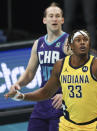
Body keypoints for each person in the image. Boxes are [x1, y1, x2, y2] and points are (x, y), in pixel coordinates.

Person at [5, 29, 97, 131]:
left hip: (94, 126)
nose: (83, 42)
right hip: (68, 126)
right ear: (70, 45)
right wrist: (20, 96)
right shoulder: (60, 65)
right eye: (78, 40)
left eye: (85, 39)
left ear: (90, 44)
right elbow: (45, 92)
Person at [6, 2, 71, 131]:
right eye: (51, 16)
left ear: (62, 20)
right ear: (44, 20)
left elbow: (82, 72)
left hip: (61, 103)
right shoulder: (38, 43)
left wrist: (66, 94)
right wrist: (18, 84)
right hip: (42, 103)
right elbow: (30, 73)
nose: (54, 18)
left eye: (57, 16)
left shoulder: (68, 42)